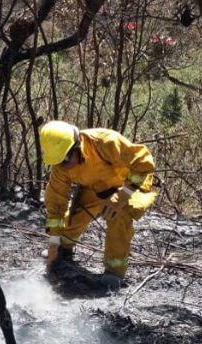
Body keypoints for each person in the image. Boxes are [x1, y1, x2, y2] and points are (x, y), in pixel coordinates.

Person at [40, 120, 158, 289]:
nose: (64, 165)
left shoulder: (105, 142)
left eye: (66, 159)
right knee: (75, 217)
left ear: (77, 145)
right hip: (98, 187)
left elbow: (143, 163)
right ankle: (64, 248)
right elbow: (56, 203)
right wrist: (54, 243)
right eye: (59, 162)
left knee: (119, 214)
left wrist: (123, 195)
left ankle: (114, 272)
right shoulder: (61, 167)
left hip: (131, 185)